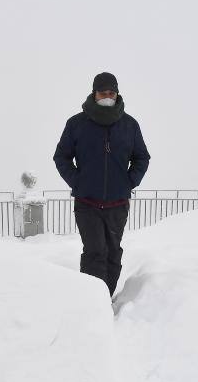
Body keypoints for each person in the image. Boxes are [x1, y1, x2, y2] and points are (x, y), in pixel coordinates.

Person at [53, 72, 151, 297]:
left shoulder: (129, 125)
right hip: (87, 203)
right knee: (95, 252)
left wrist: (129, 182)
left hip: (117, 203)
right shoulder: (76, 124)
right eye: (103, 93)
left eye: (111, 93)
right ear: (94, 93)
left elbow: (142, 158)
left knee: (112, 253)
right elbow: (62, 157)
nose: (107, 97)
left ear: (117, 94)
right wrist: (77, 181)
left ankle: (106, 297)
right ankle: (92, 302)